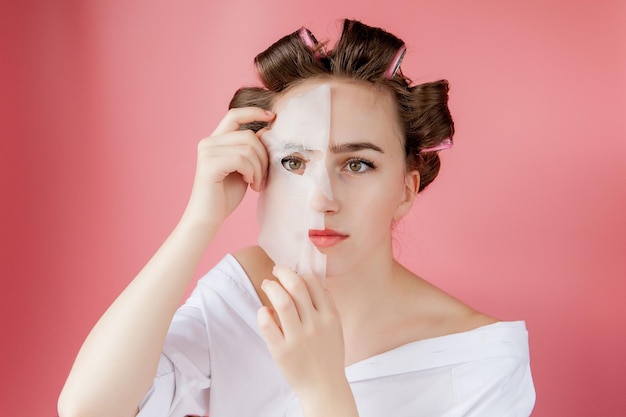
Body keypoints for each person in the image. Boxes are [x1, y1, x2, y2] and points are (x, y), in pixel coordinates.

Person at [58, 19, 535, 417]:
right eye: (294, 162)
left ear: (406, 190)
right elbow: (89, 407)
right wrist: (198, 221)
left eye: (357, 164)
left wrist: (324, 391)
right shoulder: (246, 296)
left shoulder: (481, 360)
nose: (320, 199)